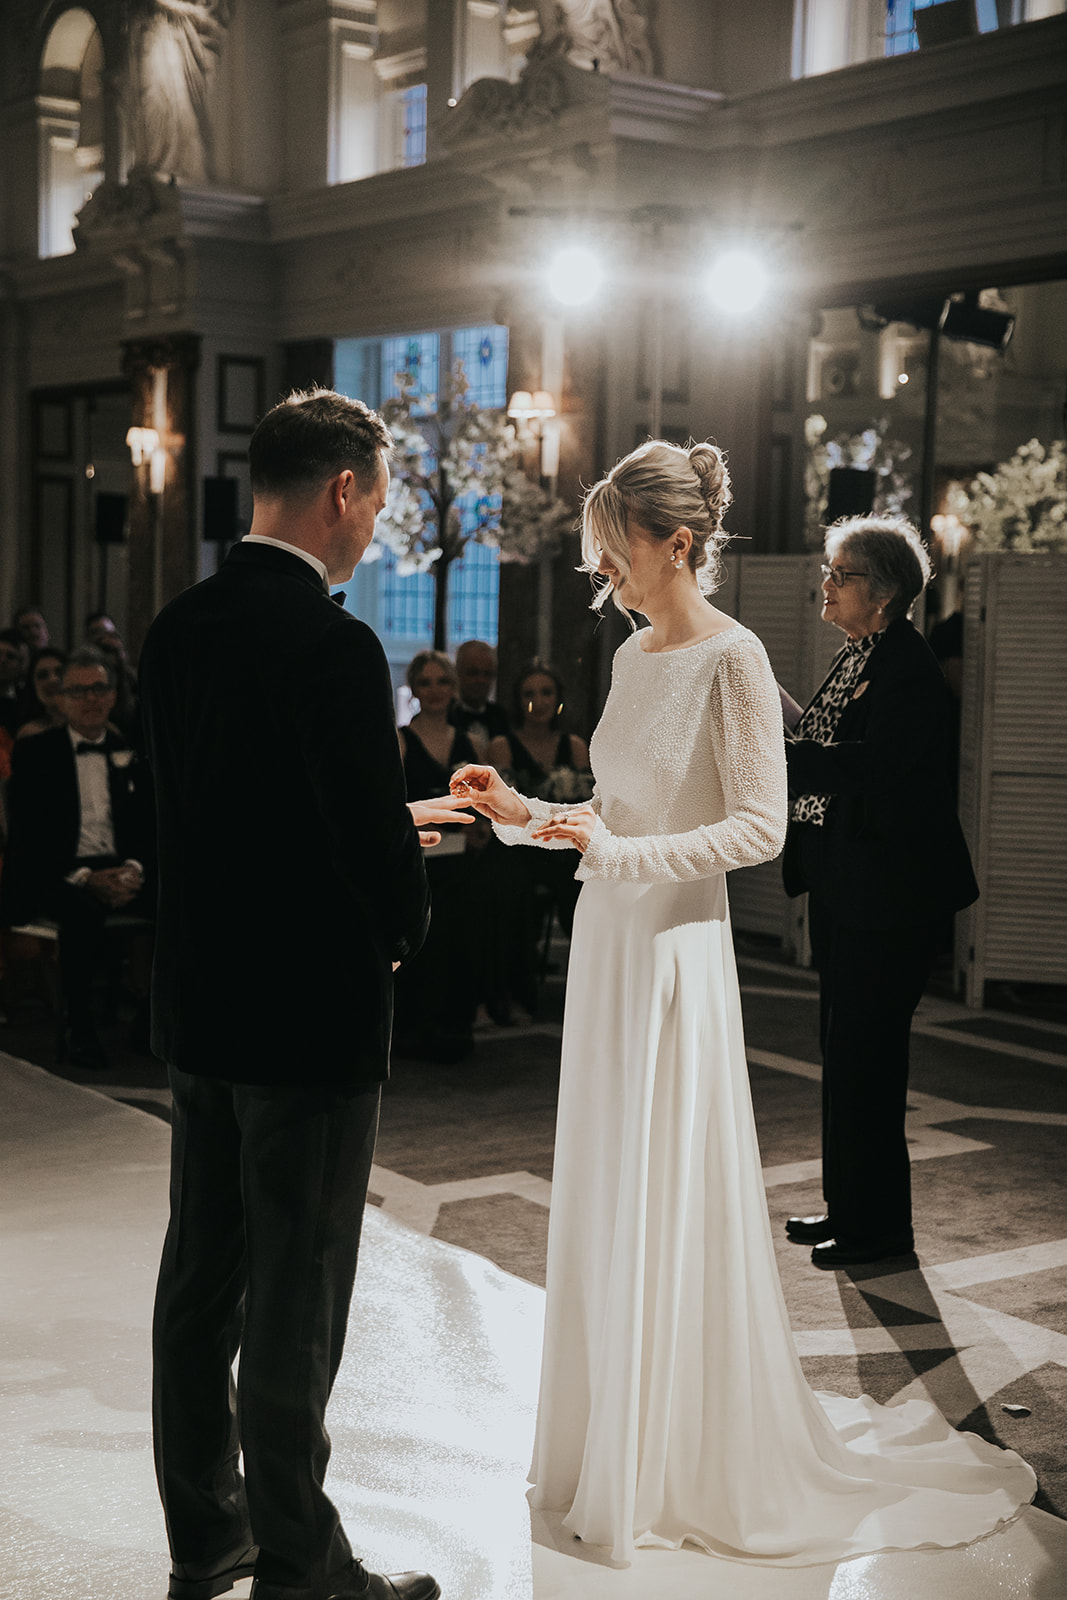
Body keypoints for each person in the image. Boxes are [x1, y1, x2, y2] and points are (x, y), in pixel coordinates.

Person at [448, 440, 1033, 1565]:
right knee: (610, 1183)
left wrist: (618, 853)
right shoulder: (627, 657)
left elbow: (757, 830)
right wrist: (520, 807)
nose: (602, 575)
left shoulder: (734, 654)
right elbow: (607, 808)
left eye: (613, 554)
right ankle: (605, 1442)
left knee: (660, 1183)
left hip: (670, 947)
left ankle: (676, 1456)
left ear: (676, 543)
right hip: (612, 940)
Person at [139, 389, 468, 1600]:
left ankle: (204, 1533)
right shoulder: (333, 646)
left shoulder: (175, 628)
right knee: (298, 1286)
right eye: (376, 498)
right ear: (341, 490)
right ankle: (300, 1562)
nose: (375, 522)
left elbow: (195, 818)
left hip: (201, 1006)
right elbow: (359, 843)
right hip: (312, 1018)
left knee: (202, 1277)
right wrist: (403, 918)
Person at [781, 517, 978, 1269]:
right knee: (842, 1052)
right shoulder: (856, 655)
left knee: (868, 1061)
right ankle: (846, 1209)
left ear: (884, 589)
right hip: (846, 884)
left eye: (840, 573)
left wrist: (786, 752)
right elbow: (829, 744)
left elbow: (872, 766)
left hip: (888, 896)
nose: (825, 585)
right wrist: (781, 719)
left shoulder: (907, 667)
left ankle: (878, 1231)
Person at [0, 647, 155, 1071]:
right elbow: (31, 840)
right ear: (62, 699)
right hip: (57, 870)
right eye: (79, 691)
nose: (91, 699)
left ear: (112, 694)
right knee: (81, 913)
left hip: (120, 867)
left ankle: (153, 1022)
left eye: (100, 688)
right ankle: (79, 1029)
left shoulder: (131, 747)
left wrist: (134, 870)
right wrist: (87, 876)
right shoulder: (37, 753)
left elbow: (147, 827)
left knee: (179, 904)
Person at [395, 650, 481, 1061]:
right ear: (414, 688)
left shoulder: (471, 741)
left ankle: (453, 1027)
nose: (434, 691)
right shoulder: (399, 741)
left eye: (442, 682)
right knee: (421, 943)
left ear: (454, 688)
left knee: (457, 942)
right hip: (418, 860)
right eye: (425, 682)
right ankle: (413, 1029)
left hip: (461, 860)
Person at [448, 638, 508, 753]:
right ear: (457, 673)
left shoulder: (502, 717)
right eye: (472, 673)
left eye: (487, 674)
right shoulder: (443, 716)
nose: (480, 680)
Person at [16, 646, 68, 738]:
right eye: (43, 675)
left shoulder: (92, 725)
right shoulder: (29, 734)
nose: (53, 680)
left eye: (60, 672)